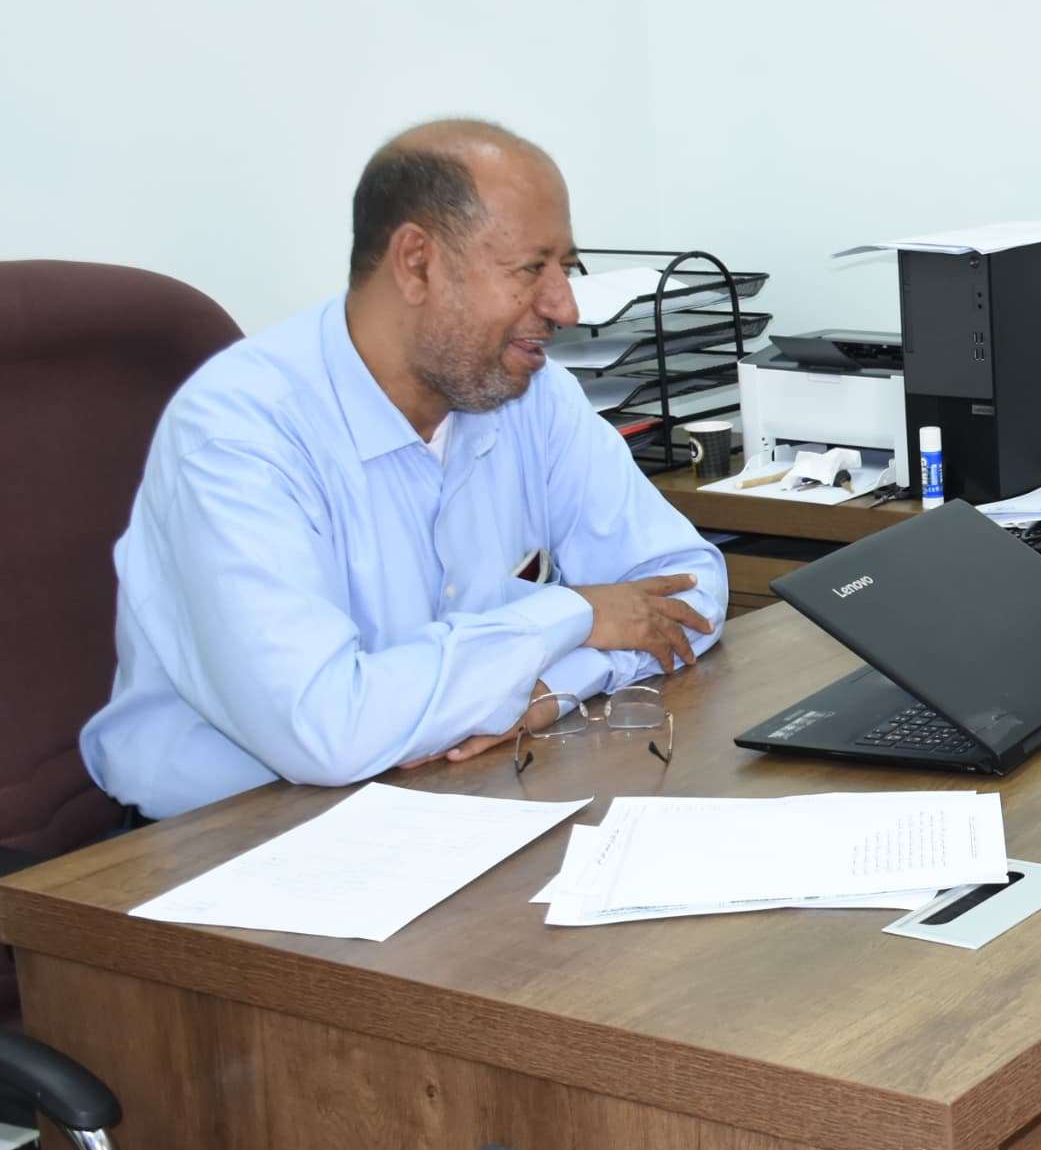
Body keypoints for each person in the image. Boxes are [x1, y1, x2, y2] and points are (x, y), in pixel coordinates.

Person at [82, 120, 726, 820]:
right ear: (417, 263)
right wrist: (575, 614)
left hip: (454, 796)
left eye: (566, 268)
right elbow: (328, 731)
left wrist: (550, 688)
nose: (564, 307)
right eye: (530, 269)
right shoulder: (239, 432)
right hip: (236, 832)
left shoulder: (529, 395)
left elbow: (690, 586)